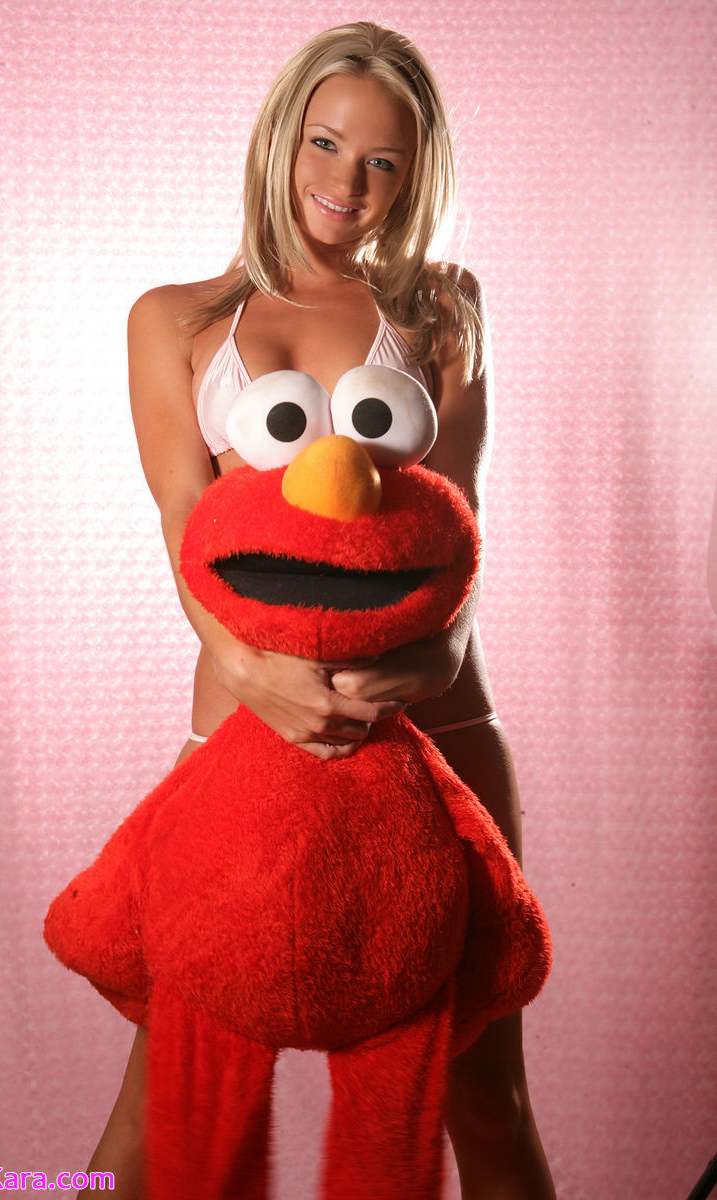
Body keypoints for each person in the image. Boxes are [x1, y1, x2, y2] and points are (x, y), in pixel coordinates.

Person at [79, 21, 555, 1200]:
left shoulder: (441, 309)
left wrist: (428, 664)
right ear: (283, 136)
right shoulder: (174, 320)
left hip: (435, 737)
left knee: (481, 1095)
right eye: (326, 143)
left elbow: (459, 524)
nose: (347, 181)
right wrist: (258, 677)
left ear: (413, 175)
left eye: (383, 160)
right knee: (160, 1100)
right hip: (240, 733)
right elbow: (184, 528)